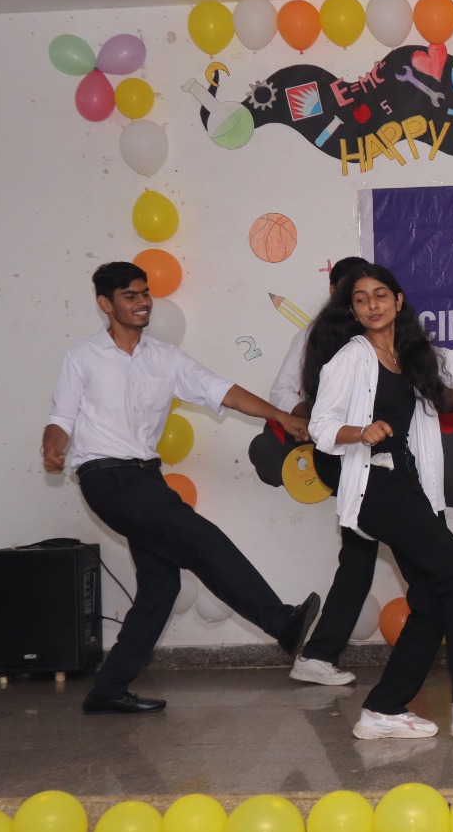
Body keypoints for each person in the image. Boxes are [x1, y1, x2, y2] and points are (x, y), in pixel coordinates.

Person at [42, 262, 321, 715]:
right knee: (200, 538)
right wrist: (52, 445)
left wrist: (281, 416)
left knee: (161, 585)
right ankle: (280, 622)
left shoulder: (165, 357)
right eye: (130, 296)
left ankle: (108, 689)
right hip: (106, 477)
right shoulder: (83, 357)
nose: (142, 302)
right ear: (105, 304)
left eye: (145, 293)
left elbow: (222, 390)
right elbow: (61, 416)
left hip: (144, 478)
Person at [304, 263, 453, 740]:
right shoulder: (351, 358)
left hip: (409, 485)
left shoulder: (417, 356)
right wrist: (359, 431)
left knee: (433, 602)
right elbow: (320, 425)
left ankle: (383, 709)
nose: (372, 305)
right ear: (352, 311)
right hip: (376, 485)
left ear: (398, 302)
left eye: (381, 295)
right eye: (361, 299)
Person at [267, 256, 382, 687]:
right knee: (382, 549)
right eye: (352, 291)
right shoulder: (313, 335)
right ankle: (318, 654)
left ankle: (319, 654)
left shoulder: (382, 333)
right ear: (334, 292)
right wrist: (313, 414)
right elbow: (282, 391)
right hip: (341, 455)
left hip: (383, 456)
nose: (363, 301)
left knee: (363, 553)